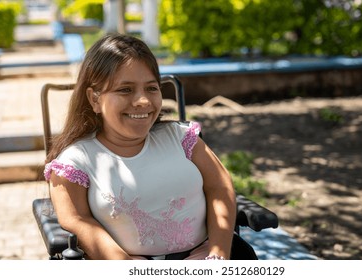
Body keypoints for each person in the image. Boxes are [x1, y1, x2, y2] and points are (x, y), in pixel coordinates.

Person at [43, 33, 236, 260]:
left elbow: (220, 187)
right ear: (95, 99)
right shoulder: (76, 162)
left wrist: (218, 252)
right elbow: (76, 220)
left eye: (152, 88)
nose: (143, 101)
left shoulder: (181, 138)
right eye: (125, 89)